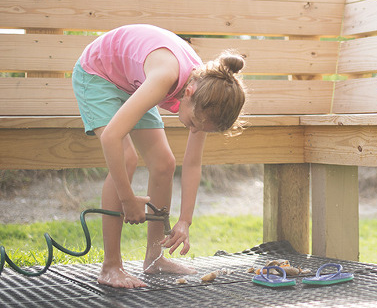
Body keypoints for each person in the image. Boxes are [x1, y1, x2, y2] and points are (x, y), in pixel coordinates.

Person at [71, 24, 246, 288]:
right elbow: (111, 138)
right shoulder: (167, 78)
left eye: (200, 128)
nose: (195, 130)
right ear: (188, 94)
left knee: (164, 164)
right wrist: (128, 199)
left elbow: (193, 162)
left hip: (131, 82)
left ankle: (154, 258)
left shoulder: (207, 91)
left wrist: (185, 220)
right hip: (97, 74)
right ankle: (110, 267)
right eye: (195, 124)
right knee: (127, 158)